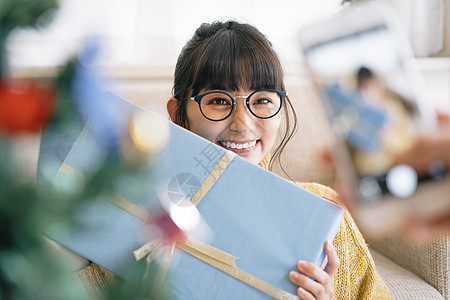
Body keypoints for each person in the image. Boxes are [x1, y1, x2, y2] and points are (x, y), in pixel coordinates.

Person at [165, 20, 392, 300]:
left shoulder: (324, 215)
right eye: (219, 100)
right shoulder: (144, 208)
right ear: (177, 114)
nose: (241, 123)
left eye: (262, 100)